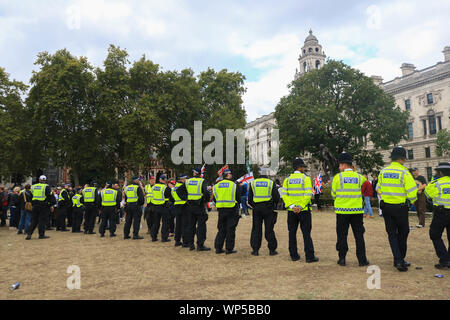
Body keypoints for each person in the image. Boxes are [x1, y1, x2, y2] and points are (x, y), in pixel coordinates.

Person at [378, 146, 418, 272]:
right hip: (400, 208)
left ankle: (398, 259)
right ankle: (400, 260)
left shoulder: (383, 171)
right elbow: (412, 193)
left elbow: (378, 189)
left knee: (392, 234)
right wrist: (412, 202)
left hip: (386, 207)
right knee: (403, 233)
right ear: (402, 159)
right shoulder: (405, 172)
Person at [331, 153, 370, 267]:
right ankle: (362, 260)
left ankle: (342, 258)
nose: (339, 167)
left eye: (340, 165)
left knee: (342, 235)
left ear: (343, 165)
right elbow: (366, 188)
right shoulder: (359, 177)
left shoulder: (337, 177)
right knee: (359, 236)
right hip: (357, 211)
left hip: (342, 211)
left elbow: (333, 194)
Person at [281, 158, 319, 263]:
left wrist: (293, 206)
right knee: (306, 233)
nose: (304, 168)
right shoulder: (305, 179)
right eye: (303, 167)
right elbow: (308, 195)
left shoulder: (287, 179)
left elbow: (284, 195)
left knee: (292, 233)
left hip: (291, 211)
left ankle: (293, 255)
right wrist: (300, 206)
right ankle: (309, 256)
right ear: (299, 167)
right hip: (304, 211)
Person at [176, 168, 211, 251]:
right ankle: (200, 245)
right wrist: (205, 200)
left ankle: (191, 244)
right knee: (201, 226)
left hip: (190, 206)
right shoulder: (202, 181)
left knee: (191, 226)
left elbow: (179, 190)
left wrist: (186, 199)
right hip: (199, 206)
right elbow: (206, 192)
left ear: (194, 173)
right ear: (200, 173)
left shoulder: (188, 181)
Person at [424, 162, 450, 269]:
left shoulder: (436, 183)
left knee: (434, 235)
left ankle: (444, 259)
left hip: (441, 213)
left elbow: (427, 194)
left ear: (440, 172)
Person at [248, 173, 280, 256]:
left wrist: (255, 206)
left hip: (257, 208)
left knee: (256, 229)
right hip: (268, 208)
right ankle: (272, 250)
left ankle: (255, 250)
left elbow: (250, 199)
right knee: (269, 229)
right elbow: (276, 197)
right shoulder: (270, 182)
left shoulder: (253, 183)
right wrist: (273, 205)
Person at [212, 169, 241, 254]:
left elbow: (214, 198)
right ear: (228, 175)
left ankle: (218, 248)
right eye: (230, 174)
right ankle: (229, 249)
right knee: (230, 229)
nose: (231, 175)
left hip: (221, 209)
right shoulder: (233, 185)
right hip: (231, 209)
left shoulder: (216, 185)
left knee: (221, 229)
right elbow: (238, 197)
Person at [26, 175, 56, 240]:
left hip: (35, 205)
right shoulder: (46, 186)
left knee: (33, 220)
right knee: (42, 221)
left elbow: (30, 195)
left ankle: (29, 234)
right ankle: (41, 235)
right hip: (43, 206)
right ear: (45, 180)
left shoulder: (33, 186)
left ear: (39, 179)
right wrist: (51, 204)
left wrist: (32, 203)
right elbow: (50, 196)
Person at [150, 174, 173, 242]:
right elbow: (171, 198)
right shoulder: (166, 188)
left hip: (155, 206)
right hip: (164, 207)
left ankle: (154, 237)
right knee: (165, 223)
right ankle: (164, 238)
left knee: (156, 222)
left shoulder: (154, 187)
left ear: (159, 179)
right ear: (165, 180)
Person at [172, 174, 188, 247]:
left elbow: (172, 198)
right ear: (183, 179)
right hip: (184, 205)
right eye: (186, 178)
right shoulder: (183, 187)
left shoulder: (174, 187)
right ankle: (185, 242)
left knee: (178, 224)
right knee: (185, 224)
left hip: (176, 206)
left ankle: (177, 240)